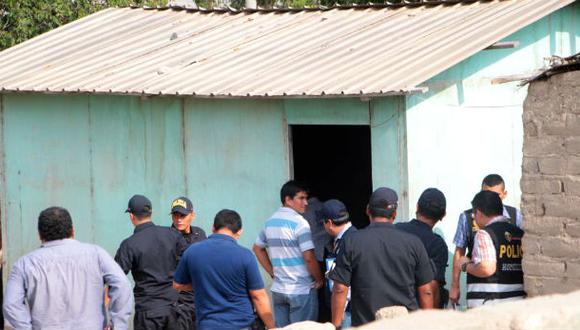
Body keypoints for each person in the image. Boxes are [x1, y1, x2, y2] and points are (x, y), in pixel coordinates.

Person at [3, 207, 133, 329]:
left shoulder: (24, 264)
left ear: (40, 235)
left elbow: (11, 304)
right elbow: (122, 285)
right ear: (72, 230)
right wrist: (118, 325)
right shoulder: (97, 254)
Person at [329, 187, 434, 327]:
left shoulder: (352, 241)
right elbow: (426, 291)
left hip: (366, 325)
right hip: (405, 325)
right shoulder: (413, 243)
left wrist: (335, 325)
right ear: (395, 214)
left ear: (367, 210)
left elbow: (340, 288)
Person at [173, 209, 275, 330]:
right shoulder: (245, 256)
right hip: (241, 325)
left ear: (213, 228)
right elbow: (258, 296)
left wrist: (202, 283)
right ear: (239, 232)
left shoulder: (192, 252)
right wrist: (272, 327)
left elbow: (177, 285)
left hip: (207, 325)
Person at [253, 180, 323, 328]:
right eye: (301, 198)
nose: (306, 203)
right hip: (301, 290)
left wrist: (273, 273)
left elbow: (257, 248)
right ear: (288, 200)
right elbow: (309, 257)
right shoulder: (300, 223)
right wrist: (319, 279)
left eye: (306, 198)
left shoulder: (270, 222)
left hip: (279, 290)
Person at [115, 194, 188, 330]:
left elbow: (115, 277)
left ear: (131, 215)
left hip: (147, 313)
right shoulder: (173, 235)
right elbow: (188, 263)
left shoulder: (129, 244)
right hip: (173, 309)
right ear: (151, 212)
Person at [450, 174, 524, 305]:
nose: (488, 199)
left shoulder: (515, 216)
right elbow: (459, 251)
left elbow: (487, 268)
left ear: (504, 194)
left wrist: (465, 265)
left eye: (495, 195)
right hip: (510, 296)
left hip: (490, 299)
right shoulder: (467, 217)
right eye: (485, 194)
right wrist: (455, 285)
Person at [396, 188, 449, 308]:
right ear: (443, 215)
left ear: (417, 207)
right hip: (415, 312)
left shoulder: (395, 230)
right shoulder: (437, 244)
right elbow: (431, 287)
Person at [170, 197, 207, 329]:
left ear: (192, 215)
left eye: (183, 215)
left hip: (200, 300)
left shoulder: (200, 234)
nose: (179, 219)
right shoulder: (167, 237)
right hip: (179, 303)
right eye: (175, 215)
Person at [321, 199, 356, 328]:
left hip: (346, 310)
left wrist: (338, 313)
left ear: (329, 223)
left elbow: (343, 286)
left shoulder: (349, 240)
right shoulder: (343, 238)